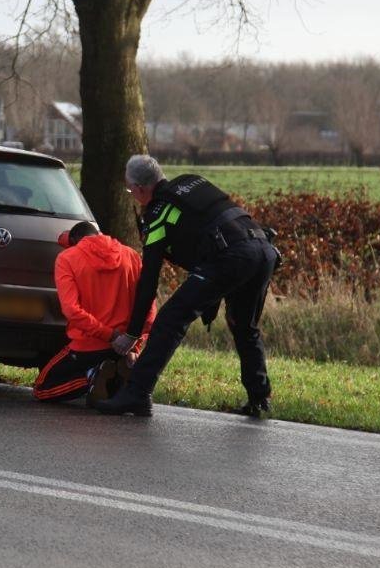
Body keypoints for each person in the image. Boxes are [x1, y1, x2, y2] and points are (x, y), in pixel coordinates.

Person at [95, 156, 279, 417]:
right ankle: (259, 399)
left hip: (231, 257)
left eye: (130, 191)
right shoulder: (192, 181)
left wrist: (133, 333)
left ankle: (136, 394)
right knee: (243, 325)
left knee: (170, 319)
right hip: (263, 249)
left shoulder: (157, 214)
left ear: (139, 189)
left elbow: (149, 279)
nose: (132, 195)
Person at [33, 221, 155, 405]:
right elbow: (149, 306)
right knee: (110, 392)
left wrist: (109, 334)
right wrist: (135, 343)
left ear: (75, 241)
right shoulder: (131, 255)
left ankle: (92, 376)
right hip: (125, 345)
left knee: (42, 388)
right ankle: (120, 377)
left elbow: (71, 310)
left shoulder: (67, 258)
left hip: (89, 346)